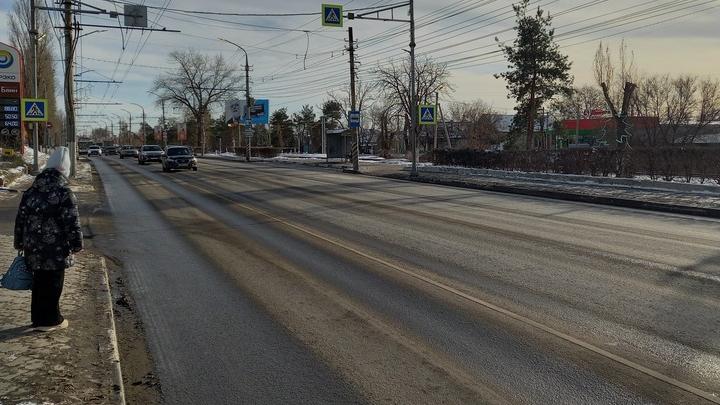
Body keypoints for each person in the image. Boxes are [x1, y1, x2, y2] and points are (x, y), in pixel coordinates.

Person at [14, 147, 83, 332]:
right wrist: (76, 244)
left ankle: (38, 319)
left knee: (38, 282)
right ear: (64, 171)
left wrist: (19, 242)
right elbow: (72, 221)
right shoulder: (64, 193)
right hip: (56, 248)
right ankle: (51, 321)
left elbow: (20, 218)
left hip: (32, 247)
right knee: (53, 283)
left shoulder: (31, 190)